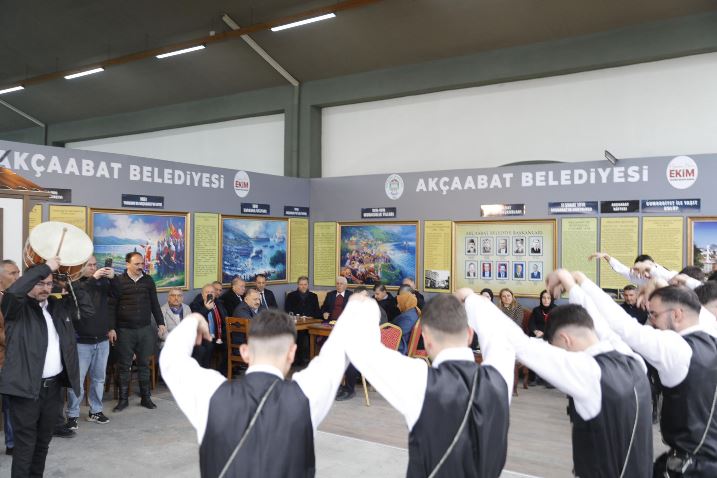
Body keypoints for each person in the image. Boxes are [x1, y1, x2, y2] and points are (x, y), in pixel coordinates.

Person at [339, 292, 515, 476]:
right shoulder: (499, 377)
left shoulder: (419, 381)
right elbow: (498, 335)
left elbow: (362, 348)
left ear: (426, 339)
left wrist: (361, 306)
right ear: (470, 335)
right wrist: (471, 298)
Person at [160, 308, 351, 477]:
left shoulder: (210, 394)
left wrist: (192, 320)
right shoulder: (306, 395)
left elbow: (171, 359)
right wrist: (357, 305)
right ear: (292, 353)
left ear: (245, 352)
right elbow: (338, 349)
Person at [498, 270, 653, 477]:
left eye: (557, 347)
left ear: (565, 340)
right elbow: (600, 321)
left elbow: (521, 345)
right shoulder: (631, 359)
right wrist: (571, 281)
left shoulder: (589, 373)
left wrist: (472, 300)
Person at [577, 277, 717, 475]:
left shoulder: (677, 348)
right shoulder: (712, 335)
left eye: (654, 314)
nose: (651, 320)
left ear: (677, 314)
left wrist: (579, 282)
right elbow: (691, 304)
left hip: (691, 468)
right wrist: (658, 281)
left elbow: (625, 327)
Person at [0, 259, 85, 477]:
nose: (45, 288)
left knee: (42, 443)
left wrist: (71, 282)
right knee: (25, 446)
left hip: (53, 389)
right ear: (28, 282)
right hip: (25, 389)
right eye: (39, 283)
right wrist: (45, 267)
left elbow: (86, 309)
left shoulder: (56, 307)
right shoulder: (15, 309)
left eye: (49, 283)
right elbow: (14, 292)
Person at [65, 256, 119, 430]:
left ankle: (95, 411)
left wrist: (114, 279)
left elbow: (118, 295)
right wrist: (94, 278)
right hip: (81, 341)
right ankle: (72, 414)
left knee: (98, 379)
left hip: (101, 339)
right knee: (77, 381)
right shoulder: (74, 283)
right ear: (81, 267)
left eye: (95, 265)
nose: (94, 268)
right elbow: (80, 294)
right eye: (90, 265)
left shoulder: (102, 282)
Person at [109, 252, 166, 411]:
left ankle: (146, 398)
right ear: (127, 264)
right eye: (137, 264)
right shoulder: (118, 281)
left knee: (144, 364)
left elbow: (154, 303)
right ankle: (123, 400)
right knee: (124, 366)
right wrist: (111, 328)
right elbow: (112, 306)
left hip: (145, 329)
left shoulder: (148, 280)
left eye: (142, 263)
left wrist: (161, 322)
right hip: (124, 330)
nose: (141, 266)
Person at [0, 259, 20, 455]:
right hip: (4, 358)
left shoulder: (15, 297)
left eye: (18, 273)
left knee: (10, 404)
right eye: (12, 273)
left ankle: (12, 443)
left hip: (10, 360)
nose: (17, 277)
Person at [190, 284, 228, 372]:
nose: (210, 294)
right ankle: (205, 371)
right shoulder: (196, 305)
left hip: (218, 335)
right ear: (202, 294)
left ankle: (222, 373)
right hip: (204, 336)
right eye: (207, 292)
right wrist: (206, 308)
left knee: (229, 345)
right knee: (208, 346)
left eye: (212, 292)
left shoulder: (218, 303)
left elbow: (224, 318)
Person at [393, 291, 420, 355]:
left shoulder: (408, 317)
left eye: (400, 303)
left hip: (400, 345)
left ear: (406, 302)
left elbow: (397, 332)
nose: (397, 306)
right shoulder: (413, 311)